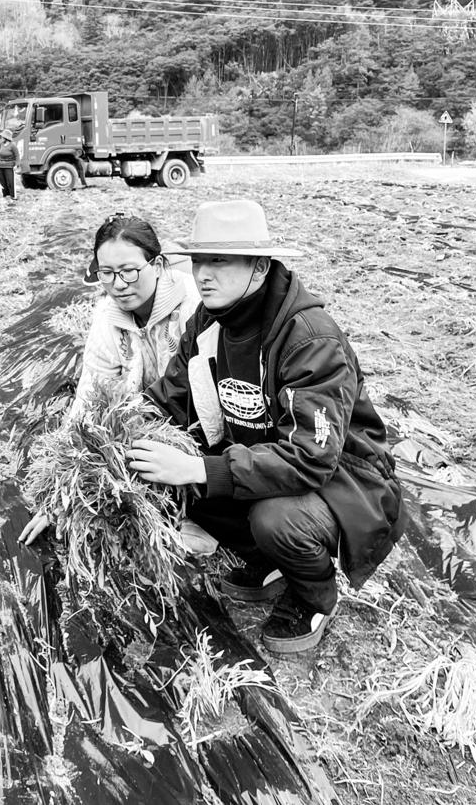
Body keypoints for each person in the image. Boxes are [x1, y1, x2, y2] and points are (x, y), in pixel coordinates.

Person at [126, 199, 405, 655]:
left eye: (219, 261)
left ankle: (314, 596)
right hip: (264, 458)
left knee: (273, 518)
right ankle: (267, 561)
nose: (203, 275)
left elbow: (312, 458)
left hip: (346, 481)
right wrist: (113, 442)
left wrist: (199, 468)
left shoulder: (309, 337)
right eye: (198, 261)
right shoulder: (210, 321)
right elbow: (168, 397)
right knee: (175, 479)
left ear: (258, 267)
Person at [19, 213, 200, 545]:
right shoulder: (107, 315)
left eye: (129, 271)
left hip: (196, 427)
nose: (118, 284)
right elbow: (89, 396)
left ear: (157, 265)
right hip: (145, 420)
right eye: (106, 273)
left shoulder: (193, 305)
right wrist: (61, 489)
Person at [0, 128, 19, 202]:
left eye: (3, 137)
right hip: (0, 166)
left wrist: (16, 165)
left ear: (6, 138)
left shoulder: (12, 145)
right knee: (3, 183)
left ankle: (12, 196)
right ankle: (5, 196)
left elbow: (17, 156)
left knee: (10, 182)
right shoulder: (1, 144)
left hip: (9, 166)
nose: (1, 138)